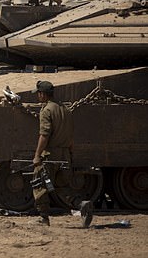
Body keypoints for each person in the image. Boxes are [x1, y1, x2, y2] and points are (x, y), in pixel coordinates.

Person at [31, 80, 93, 227]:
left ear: (43, 94)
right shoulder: (65, 109)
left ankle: (44, 218)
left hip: (50, 155)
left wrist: (37, 155)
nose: (38, 96)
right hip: (64, 156)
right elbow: (71, 136)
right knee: (61, 186)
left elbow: (44, 134)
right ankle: (81, 204)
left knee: (39, 183)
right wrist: (70, 154)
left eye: (39, 94)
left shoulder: (47, 110)